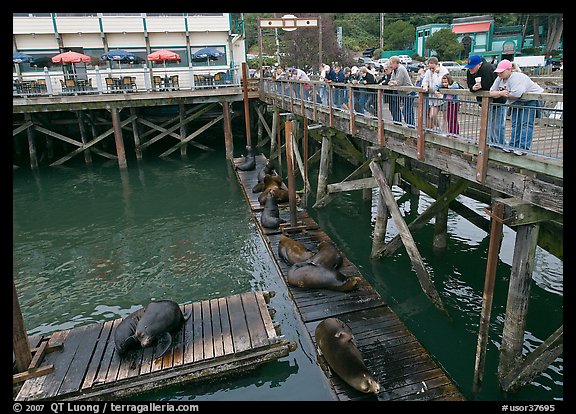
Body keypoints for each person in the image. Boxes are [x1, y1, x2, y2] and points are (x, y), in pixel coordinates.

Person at [490, 59, 544, 155]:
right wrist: (501, 93)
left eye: (501, 72)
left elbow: (517, 93)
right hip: (515, 101)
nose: (499, 74)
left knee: (526, 124)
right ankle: (513, 145)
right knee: (516, 124)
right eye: (498, 72)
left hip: (530, 101)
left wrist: (501, 93)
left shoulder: (517, 77)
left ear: (509, 69)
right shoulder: (500, 78)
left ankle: (523, 148)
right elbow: (491, 92)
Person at [465, 54, 507, 148]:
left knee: (497, 125)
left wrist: (481, 86)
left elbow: (491, 85)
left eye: (472, 67)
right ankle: (490, 143)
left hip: (497, 101)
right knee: (488, 124)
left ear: (479, 64)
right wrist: (473, 88)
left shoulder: (488, 68)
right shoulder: (470, 72)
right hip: (484, 102)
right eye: (469, 67)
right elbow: (469, 84)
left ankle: (499, 145)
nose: (470, 69)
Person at [421, 56, 448, 130]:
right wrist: (425, 86)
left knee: (446, 118)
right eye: (430, 68)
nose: (431, 70)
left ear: (437, 65)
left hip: (443, 97)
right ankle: (439, 128)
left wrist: (436, 73)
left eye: (433, 68)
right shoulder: (428, 71)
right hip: (433, 98)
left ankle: (445, 133)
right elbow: (425, 81)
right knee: (432, 116)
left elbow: (439, 83)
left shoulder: (444, 70)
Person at [387, 55, 415, 126]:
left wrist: (393, 82)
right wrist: (392, 82)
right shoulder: (395, 70)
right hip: (403, 93)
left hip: (409, 92)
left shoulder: (401, 68)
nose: (390, 65)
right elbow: (391, 80)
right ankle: (409, 126)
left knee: (406, 111)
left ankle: (411, 127)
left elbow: (398, 82)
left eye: (391, 63)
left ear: (395, 63)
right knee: (407, 111)